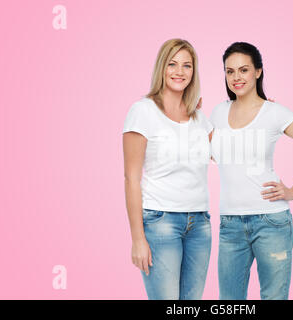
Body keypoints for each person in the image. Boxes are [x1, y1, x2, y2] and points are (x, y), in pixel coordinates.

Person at [210, 42, 293, 300]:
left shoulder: (275, 113)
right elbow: (213, 154)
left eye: (243, 70)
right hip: (230, 223)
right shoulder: (218, 112)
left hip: (271, 222)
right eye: (229, 71)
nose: (236, 77)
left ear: (258, 72)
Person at [122, 39, 213, 300]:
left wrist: (255, 107)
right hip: (160, 223)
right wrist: (138, 238)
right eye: (172, 64)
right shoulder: (142, 111)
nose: (179, 71)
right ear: (162, 67)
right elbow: (131, 178)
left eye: (187, 65)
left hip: (199, 225)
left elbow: (227, 152)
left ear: (194, 72)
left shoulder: (198, 117)